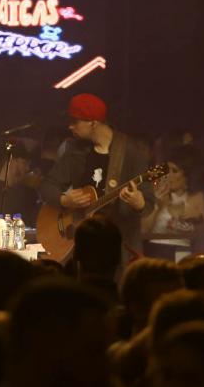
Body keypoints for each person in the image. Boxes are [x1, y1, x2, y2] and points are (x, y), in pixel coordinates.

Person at [39, 93, 155, 261]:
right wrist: (64, 200)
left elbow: (148, 203)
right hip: (81, 245)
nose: (70, 126)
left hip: (119, 247)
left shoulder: (132, 152)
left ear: (93, 123)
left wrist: (138, 202)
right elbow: (47, 186)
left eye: (75, 121)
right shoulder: (76, 150)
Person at [142, 144, 204, 249]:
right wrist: (157, 207)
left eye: (174, 171)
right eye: (167, 170)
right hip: (156, 249)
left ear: (187, 175)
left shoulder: (196, 198)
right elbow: (143, 229)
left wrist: (198, 219)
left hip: (183, 251)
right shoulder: (156, 192)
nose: (168, 175)